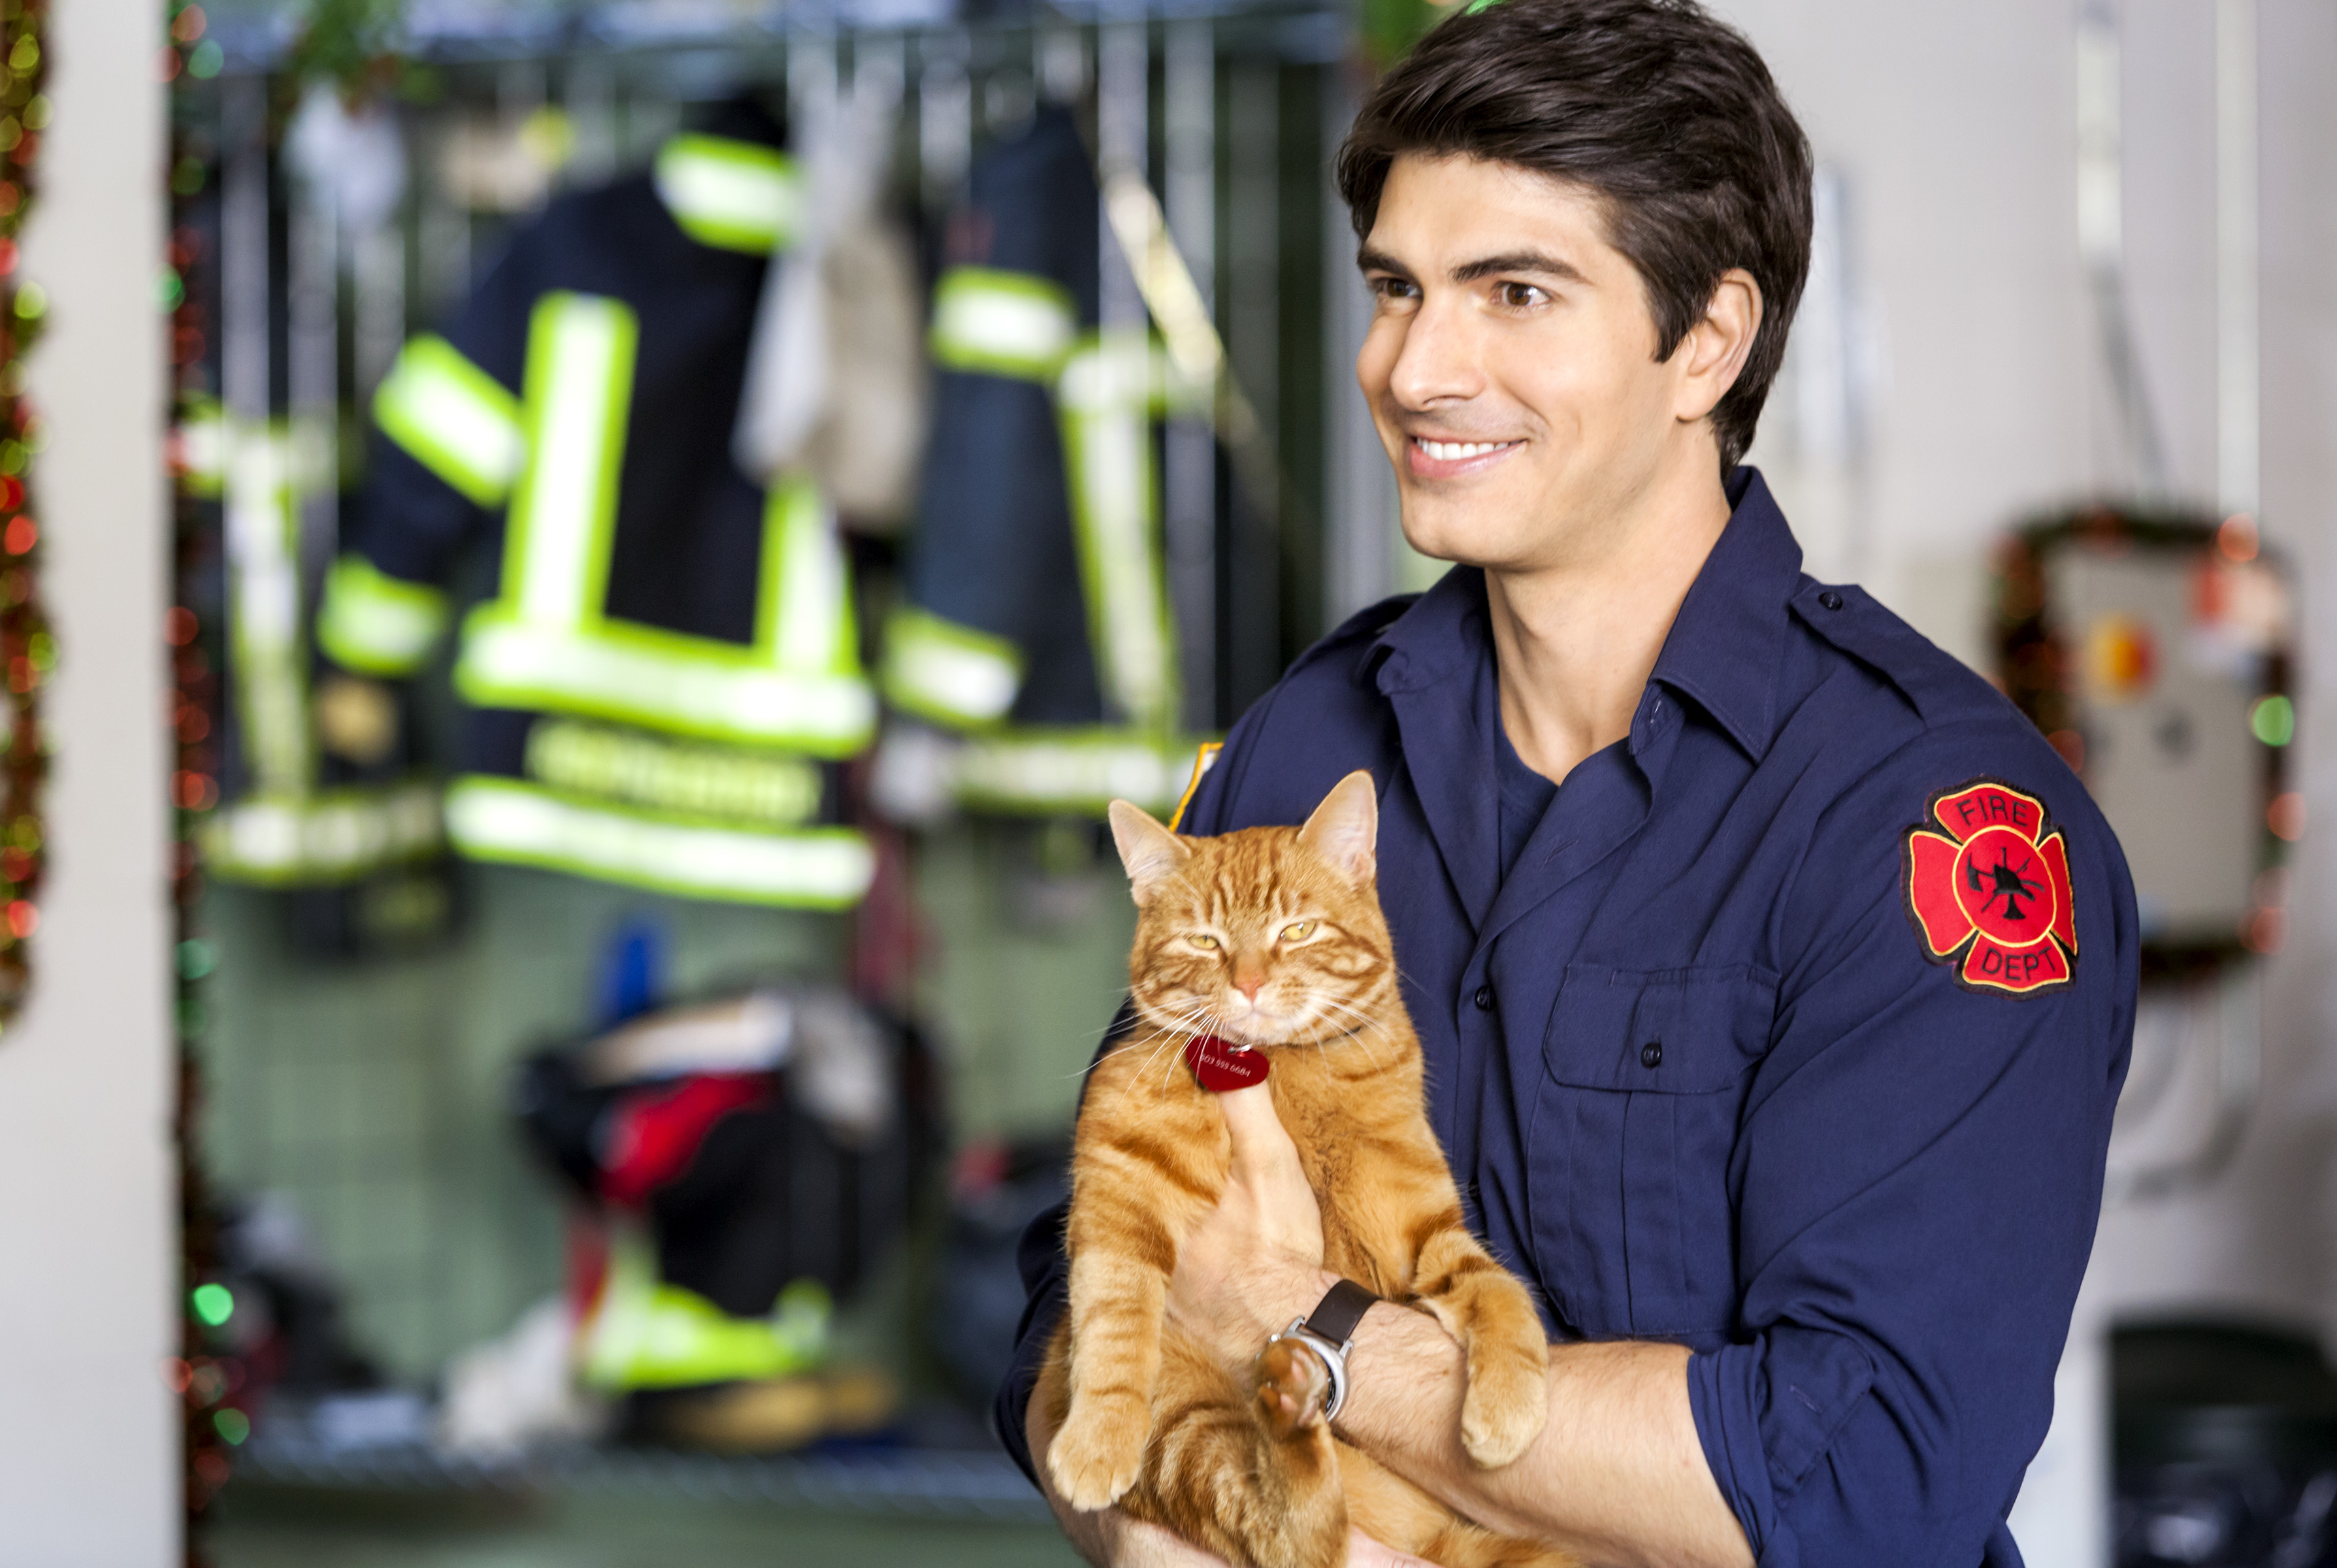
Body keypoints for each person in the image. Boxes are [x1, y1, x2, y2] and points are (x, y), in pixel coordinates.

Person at [998, 1, 2140, 1563]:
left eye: (1516, 293)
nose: (1415, 368)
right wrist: (1157, 1526)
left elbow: (1861, 1480)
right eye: (1396, 289)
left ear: (1707, 342)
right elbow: (1074, 1299)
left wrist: (1301, 1322)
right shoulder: (1307, 745)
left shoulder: (1924, 826)